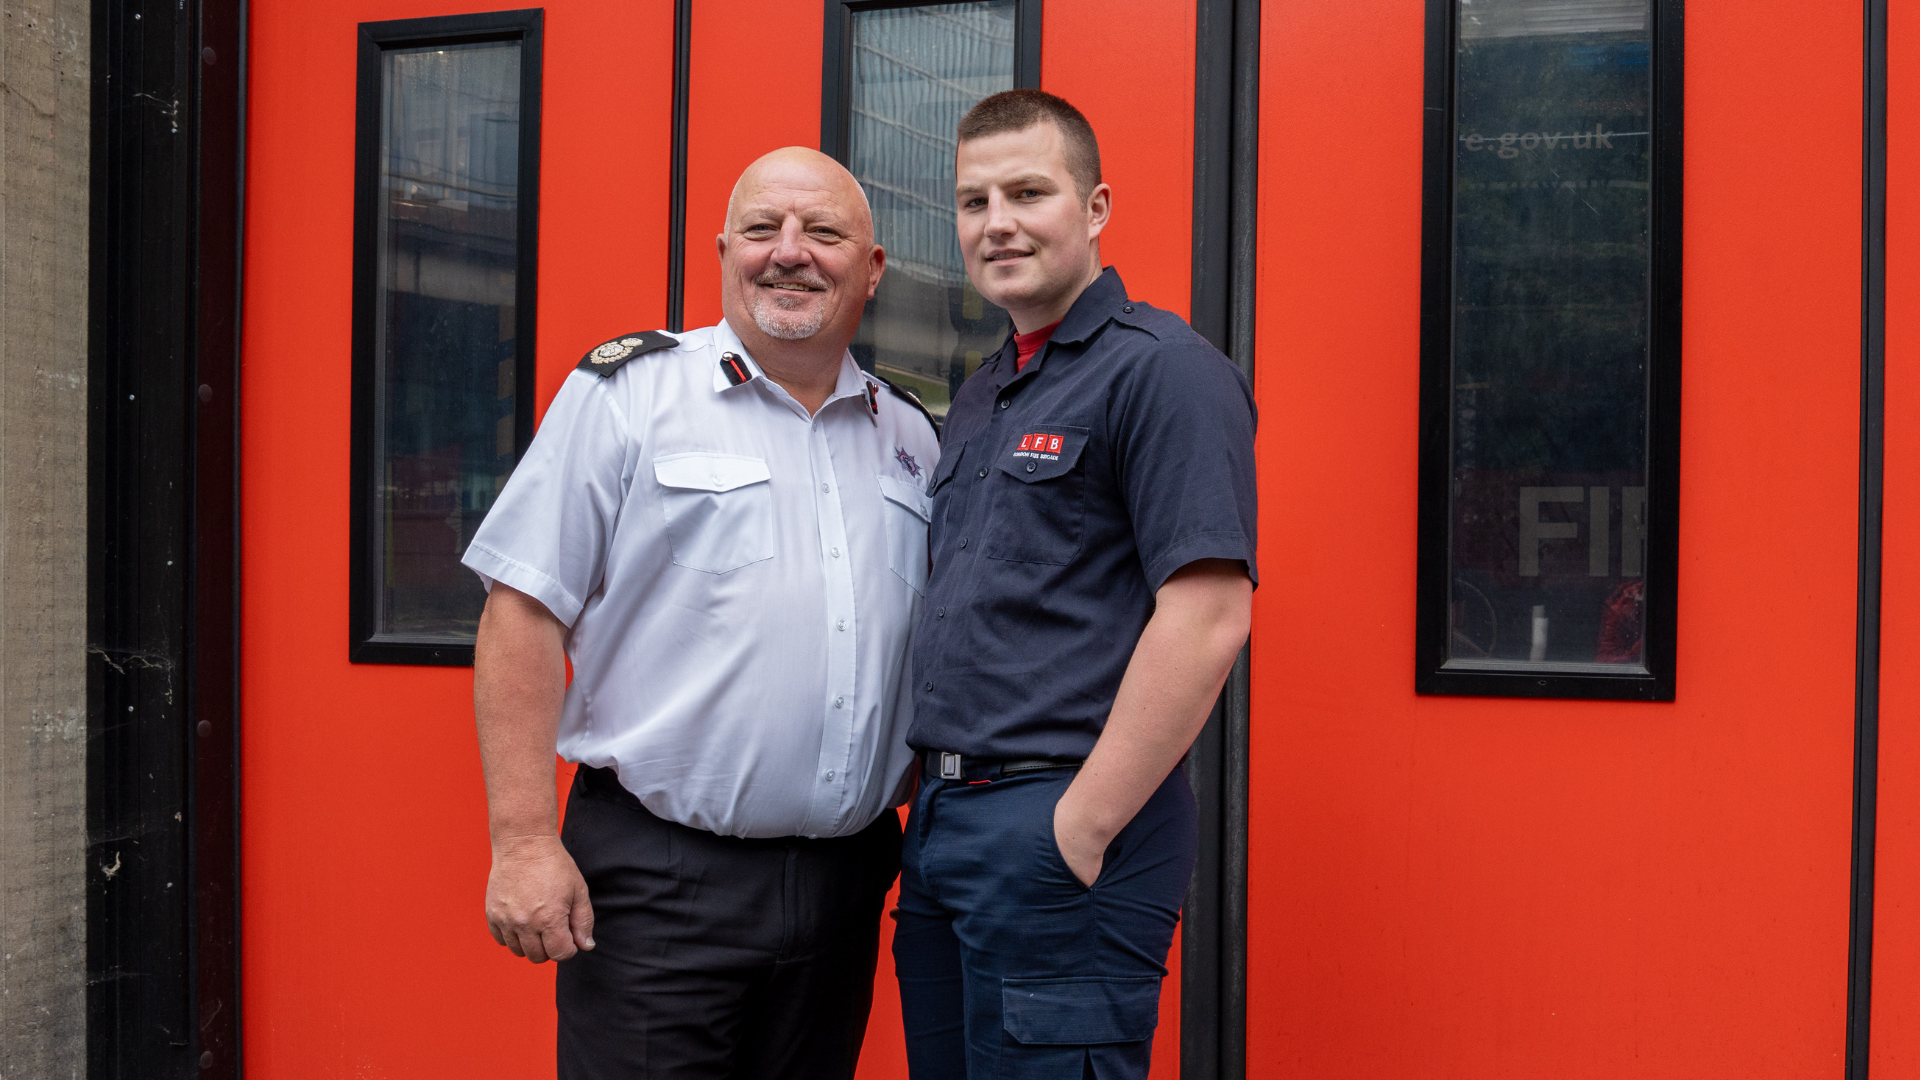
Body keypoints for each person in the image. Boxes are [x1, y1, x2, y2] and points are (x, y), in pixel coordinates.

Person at [463, 146, 940, 1080]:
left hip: (846, 883)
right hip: (661, 884)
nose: (789, 252)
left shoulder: (911, 437)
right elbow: (521, 611)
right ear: (724, 251)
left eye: (824, 232)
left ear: (872, 270)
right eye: (763, 229)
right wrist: (522, 841)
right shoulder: (629, 396)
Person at [894, 90, 1257, 1080]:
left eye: (1027, 192)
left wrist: (1081, 825)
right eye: (973, 203)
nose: (997, 223)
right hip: (943, 829)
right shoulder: (986, 391)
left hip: (1057, 825)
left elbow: (1210, 612)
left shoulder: (1164, 372)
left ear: (1094, 208)